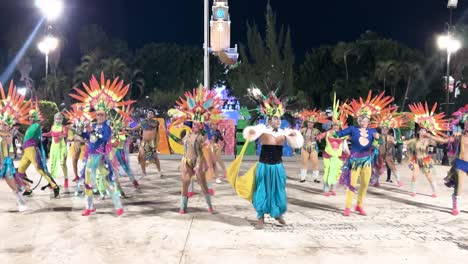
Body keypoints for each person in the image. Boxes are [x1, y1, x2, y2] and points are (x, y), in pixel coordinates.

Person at [70, 73, 134, 216]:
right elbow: (88, 137)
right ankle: (89, 207)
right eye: (97, 114)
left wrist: (93, 133)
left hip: (102, 158)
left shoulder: (106, 127)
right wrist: (81, 131)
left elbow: (105, 138)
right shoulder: (94, 126)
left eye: (101, 115)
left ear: (105, 116)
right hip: (91, 157)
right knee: (88, 182)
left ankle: (118, 206)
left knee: (108, 181)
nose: (98, 116)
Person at [240, 89, 303, 229]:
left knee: (278, 190)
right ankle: (260, 217)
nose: (278, 121)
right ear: (269, 119)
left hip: (277, 167)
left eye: (279, 118)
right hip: (264, 166)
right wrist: (251, 131)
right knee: (262, 190)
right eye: (275, 118)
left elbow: (297, 143)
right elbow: (250, 134)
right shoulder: (262, 130)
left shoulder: (284, 132)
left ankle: (277, 213)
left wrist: (294, 135)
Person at [338, 91, 393, 216]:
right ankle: (347, 207)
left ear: (368, 120)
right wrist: (335, 133)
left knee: (364, 184)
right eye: (360, 118)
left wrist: (378, 137)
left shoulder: (372, 130)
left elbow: (379, 143)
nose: (362, 120)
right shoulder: (352, 129)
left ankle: (359, 205)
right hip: (354, 161)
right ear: (357, 119)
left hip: (367, 161)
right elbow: (338, 134)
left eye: (365, 118)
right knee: (352, 184)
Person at [170, 86, 223, 214]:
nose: (196, 125)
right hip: (187, 160)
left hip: (198, 161)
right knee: (185, 182)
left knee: (203, 184)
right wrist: (169, 134)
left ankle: (210, 207)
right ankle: (183, 206)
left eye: (198, 124)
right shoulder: (187, 135)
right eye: (194, 124)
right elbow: (179, 142)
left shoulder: (202, 136)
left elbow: (207, 136)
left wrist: (205, 121)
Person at [406, 102, 450, 198]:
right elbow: (407, 145)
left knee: (429, 177)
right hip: (416, 160)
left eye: (424, 130)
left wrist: (445, 139)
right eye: (421, 130)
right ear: (418, 132)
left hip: (425, 160)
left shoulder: (428, 140)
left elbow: (439, 140)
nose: (422, 131)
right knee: (414, 175)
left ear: (426, 132)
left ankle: (434, 192)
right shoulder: (415, 140)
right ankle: (413, 191)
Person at [16, 103, 60, 198]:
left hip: (32, 150)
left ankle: (55, 186)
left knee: (40, 169)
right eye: (30, 117)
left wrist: (39, 120)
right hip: (26, 152)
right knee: (20, 171)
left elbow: (40, 128)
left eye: (32, 117)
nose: (30, 119)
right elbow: (27, 137)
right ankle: (28, 189)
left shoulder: (36, 125)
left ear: (36, 118)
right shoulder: (30, 128)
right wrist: (19, 133)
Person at [0, 82, 30, 211]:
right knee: (11, 180)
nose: (3, 126)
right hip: (3, 161)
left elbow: (6, 147)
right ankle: (21, 194)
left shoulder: (8, 135)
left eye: (6, 124)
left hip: (4, 162)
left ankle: (21, 200)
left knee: (11, 179)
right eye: (2, 124)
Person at [316, 93, 349, 196]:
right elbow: (319, 136)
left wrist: (348, 152)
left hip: (338, 156)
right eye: (334, 126)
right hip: (328, 155)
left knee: (336, 172)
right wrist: (318, 137)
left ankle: (333, 189)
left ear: (339, 127)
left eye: (337, 126)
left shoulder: (342, 135)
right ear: (332, 126)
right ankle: (326, 189)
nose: (335, 127)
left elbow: (344, 145)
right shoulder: (328, 132)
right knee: (328, 171)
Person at [445, 104, 468, 215]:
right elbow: (445, 140)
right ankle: (455, 204)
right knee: (459, 184)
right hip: (462, 163)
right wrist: (430, 135)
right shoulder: (459, 136)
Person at [129, 111, 163, 177]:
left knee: (155, 158)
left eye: (151, 113)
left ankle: (159, 171)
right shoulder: (143, 122)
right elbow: (134, 128)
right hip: (144, 142)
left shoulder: (155, 122)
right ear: (147, 114)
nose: (150, 114)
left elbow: (153, 125)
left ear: (153, 115)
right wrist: (127, 129)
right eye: (148, 113)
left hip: (152, 143)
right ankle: (144, 172)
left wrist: (146, 121)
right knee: (142, 157)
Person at [296, 110, 327, 183]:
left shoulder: (316, 130)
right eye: (309, 122)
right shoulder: (303, 129)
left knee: (315, 163)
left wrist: (318, 137)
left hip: (313, 148)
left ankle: (315, 178)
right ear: (307, 123)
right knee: (304, 162)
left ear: (313, 124)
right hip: (304, 147)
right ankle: (302, 178)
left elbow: (322, 136)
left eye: (312, 123)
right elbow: (297, 133)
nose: (310, 124)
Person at [43, 112, 69, 188]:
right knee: (52, 164)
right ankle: (52, 182)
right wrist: (43, 134)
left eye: (60, 119)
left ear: (62, 120)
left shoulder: (64, 127)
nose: (58, 120)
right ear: (55, 119)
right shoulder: (52, 126)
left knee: (62, 163)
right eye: (57, 118)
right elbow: (50, 133)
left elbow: (65, 134)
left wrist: (59, 136)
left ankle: (66, 179)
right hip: (54, 147)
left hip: (61, 147)